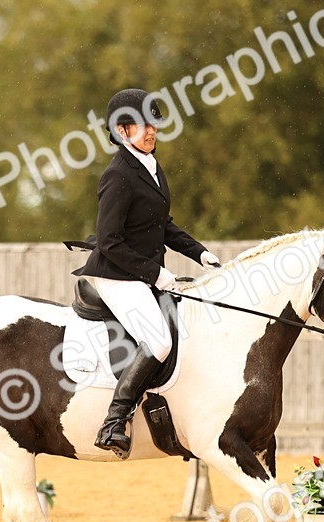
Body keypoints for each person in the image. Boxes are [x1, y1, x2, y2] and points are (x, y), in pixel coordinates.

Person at [72, 88, 220, 458]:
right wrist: (156, 274)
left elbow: (162, 225)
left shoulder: (152, 167)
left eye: (153, 124)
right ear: (122, 132)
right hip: (116, 274)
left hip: (138, 273)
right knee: (159, 342)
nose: (151, 131)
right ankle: (114, 421)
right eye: (141, 126)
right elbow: (110, 241)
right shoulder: (117, 175)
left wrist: (201, 254)